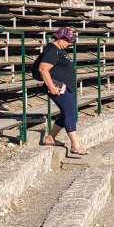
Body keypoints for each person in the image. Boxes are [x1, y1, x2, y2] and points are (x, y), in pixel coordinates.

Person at [37, 27, 88, 155]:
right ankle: (75, 145)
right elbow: (43, 69)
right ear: (60, 38)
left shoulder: (59, 50)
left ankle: (50, 138)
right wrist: (52, 87)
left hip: (66, 87)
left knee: (67, 112)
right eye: (68, 41)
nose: (69, 44)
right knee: (70, 112)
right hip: (58, 87)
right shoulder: (52, 50)